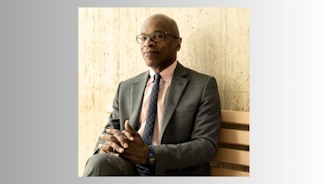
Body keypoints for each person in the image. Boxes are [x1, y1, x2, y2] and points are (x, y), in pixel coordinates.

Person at [83, 14, 221, 176]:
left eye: (157, 36)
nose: (148, 43)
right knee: (99, 162)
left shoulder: (202, 85)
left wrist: (150, 154)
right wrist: (107, 147)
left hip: (172, 170)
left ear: (178, 43)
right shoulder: (126, 87)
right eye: (143, 38)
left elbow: (206, 145)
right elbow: (110, 131)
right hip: (129, 168)